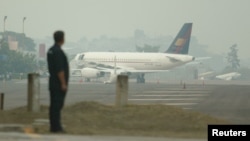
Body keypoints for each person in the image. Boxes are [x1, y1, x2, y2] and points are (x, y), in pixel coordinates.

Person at [47, 31, 69, 133]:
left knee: (53, 106)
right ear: (62, 39)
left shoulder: (50, 50)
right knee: (57, 106)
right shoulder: (58, 52)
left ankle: (53, 126)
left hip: (52, 83)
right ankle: (57, 127)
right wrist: (63, 83)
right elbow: (60, 70)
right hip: (58, 84)